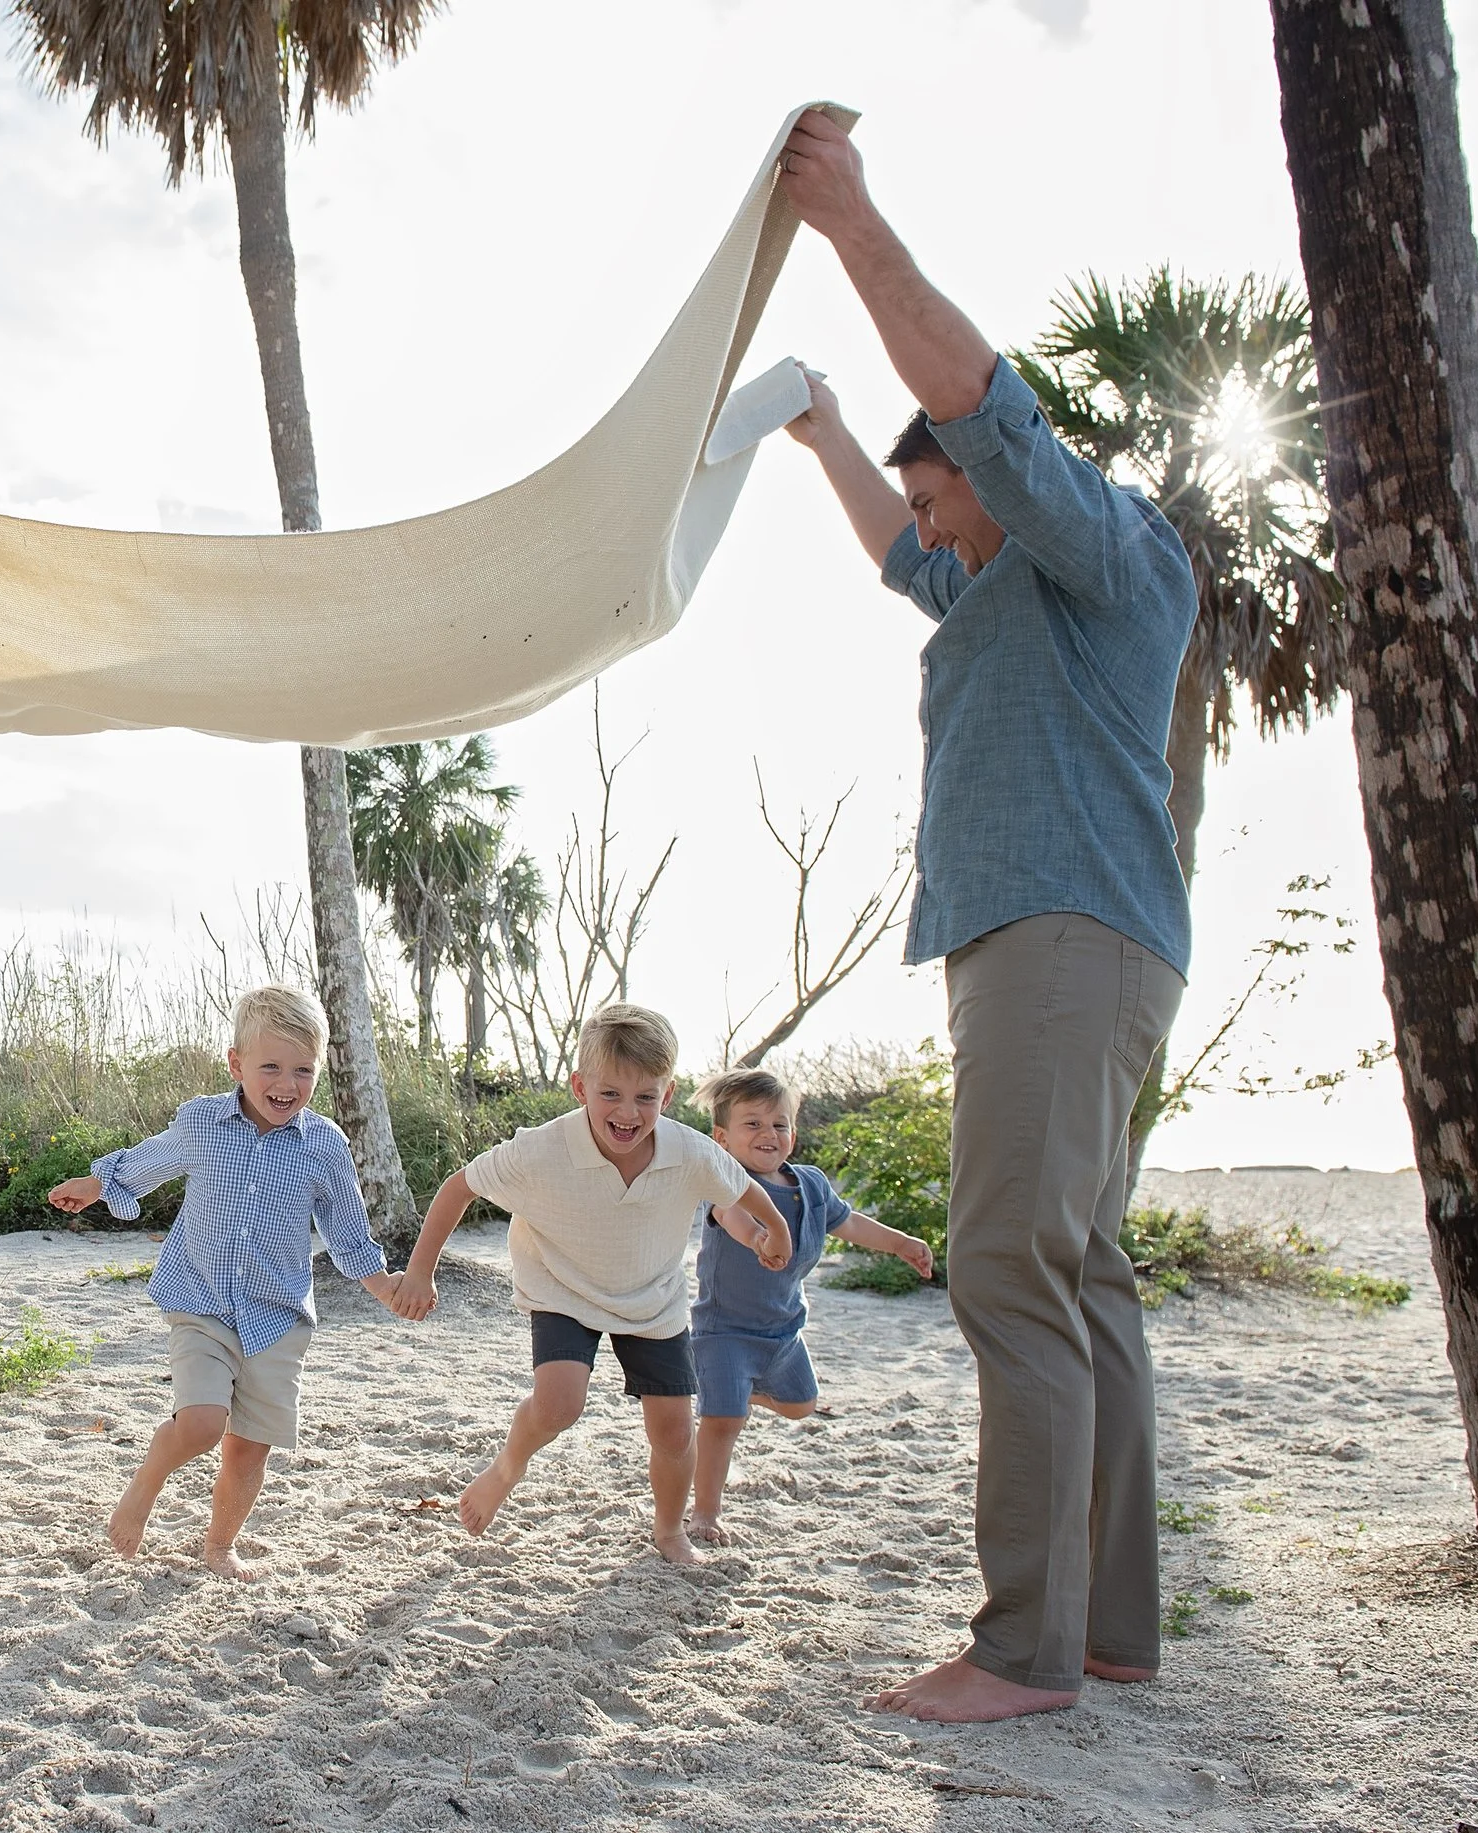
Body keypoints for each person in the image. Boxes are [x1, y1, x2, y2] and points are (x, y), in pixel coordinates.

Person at [776, 109, 1196, 1720]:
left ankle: (1021, 1651)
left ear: (1004, 479)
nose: (934, 522)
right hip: (1071, 943)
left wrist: (851, 222)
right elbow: (908, 559)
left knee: (1008, 1272)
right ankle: (1109, 1626)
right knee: (1077, 1270)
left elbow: (978, 405)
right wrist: (825, 442)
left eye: (945, 494)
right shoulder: (1001, 578)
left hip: (1066, 936)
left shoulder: (1107, 543)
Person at [388, 1004, 795, 1567]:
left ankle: (670, 1529)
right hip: (562, 1288)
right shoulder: (541, 1150)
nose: (628, 1113)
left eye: (645, 1098)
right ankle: (507, 1466)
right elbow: (460, 1188)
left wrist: (773, 1230)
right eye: (611, 1095)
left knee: (675, 1433)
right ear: (580, 1087)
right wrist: (420, 1269)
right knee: (559, 1404)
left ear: (668, 1096)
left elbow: (741, 1188)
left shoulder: (691, 1151)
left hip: (652, 1301)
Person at [47, 984, 411, 1580]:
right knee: (202, 1423)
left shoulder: (324, 1146)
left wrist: (385, 1287)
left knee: (248, 1445)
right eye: (270, 1066)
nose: (286, 1084)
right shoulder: (203, 1122)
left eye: (303, 1069)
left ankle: (219, 1547)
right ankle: (146, 1481)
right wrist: (96, 1183)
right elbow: (149, 1161)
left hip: (278, 1316)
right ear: (236, 1064)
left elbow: (347, 1234)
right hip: (202, 1299)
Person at [682, 1067, 935, 1547]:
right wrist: (760, 1235)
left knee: (801, 1406)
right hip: (725, 1331)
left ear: (793, 1135)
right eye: (751, 1124)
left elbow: (850, 1223)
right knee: (723, 1423)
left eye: (778, 1124)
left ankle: (739, 1392)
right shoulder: (727, 1184)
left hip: (783, 1330)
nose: (767, 1133)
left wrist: (900, 1243)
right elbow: (732, 1218)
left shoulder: (811, 1185)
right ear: (723, 1139)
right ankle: (706, 1513)